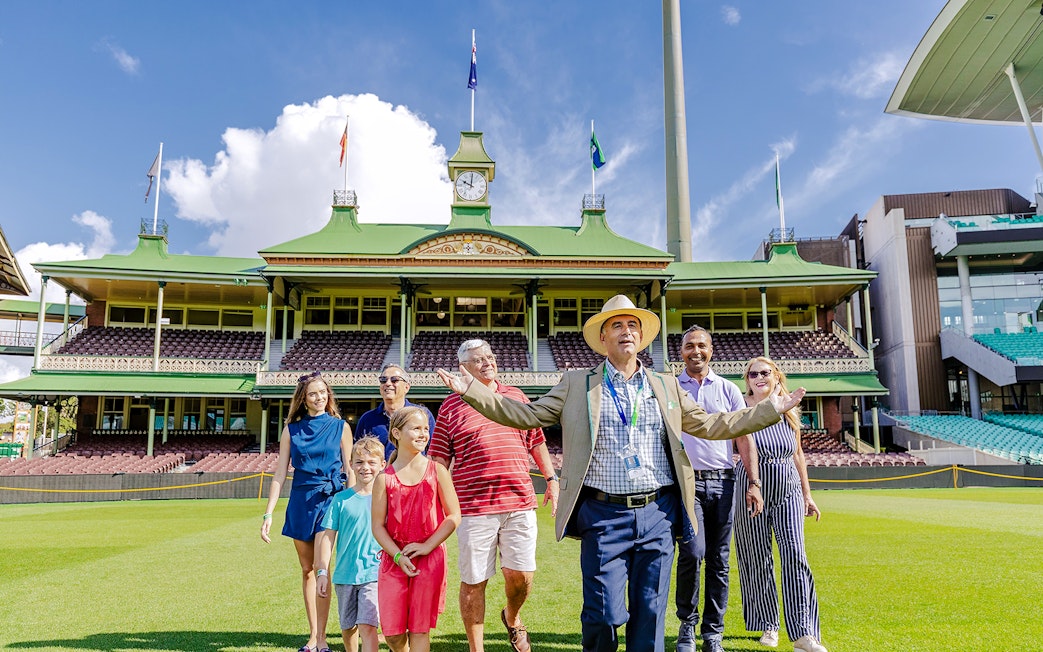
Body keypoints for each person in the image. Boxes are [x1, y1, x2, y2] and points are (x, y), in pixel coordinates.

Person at [437, 295, 805, 652]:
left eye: (633, 325)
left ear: (641, 337)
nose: (627, 331)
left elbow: (712, 424)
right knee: (602, 616)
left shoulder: (665, 384)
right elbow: (526, 416)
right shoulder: (577, 383)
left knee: (650, 615)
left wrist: (768, 410)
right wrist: (474, 391)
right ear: (603, 338)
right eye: (617, 325)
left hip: (658, 513)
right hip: (602, 515)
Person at [429, 339, 560, 652]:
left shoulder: (515, 395)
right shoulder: (450, 406)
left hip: (519, 502)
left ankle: (511, 617)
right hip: (473, 506)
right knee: (474, 581)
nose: (486, 362)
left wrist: (551, 478)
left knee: (522, 577)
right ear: (464, 367)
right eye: (477, 359)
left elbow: (536, 440)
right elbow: (439, 461)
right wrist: (437, 502)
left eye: (489, 356)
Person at [673, 325, 763, 652]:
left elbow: (744, 437)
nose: (695, 351)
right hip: (687, 483)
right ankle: (687, 627)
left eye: (701, 345)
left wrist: (753, 482)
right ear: (680, 351)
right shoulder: (672, 389)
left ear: (711, 350)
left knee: (719, 560)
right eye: (688, 346)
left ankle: (713, 633)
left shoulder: (727, 390)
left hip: (724, 481)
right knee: (692, 553)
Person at [732, 357, 827, 652]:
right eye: (752, 374)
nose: (759, 377)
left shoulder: (789, 410)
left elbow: (798, 454)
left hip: (787, 485)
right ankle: (768, 624)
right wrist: (753, 483)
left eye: (765, 372)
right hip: (751, 485)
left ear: (776, 376)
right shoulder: (742, 409)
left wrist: (807, 495)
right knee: (757, 557)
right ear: (746, 380)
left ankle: (804, 632)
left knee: (795, 554)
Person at [261, 370, 353, 652]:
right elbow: (279, 474)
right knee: (306, 570)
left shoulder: (341, 427)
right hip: (300, 501)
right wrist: (268, 514)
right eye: (313, 393)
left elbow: (350, 470)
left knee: (322, 567)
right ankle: (313, 636)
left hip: (330, 501)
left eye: (323, 392)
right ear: (303, 399)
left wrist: (351, 505)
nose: (319, 397)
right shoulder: (291, 430)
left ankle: (323, 639)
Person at [372, 405, 462, 652]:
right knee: (392, 634)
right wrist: (398, 556)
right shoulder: (384, 478)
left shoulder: (438, 471)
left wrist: (426, 546)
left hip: (430, 560)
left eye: (426, 429)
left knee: (420, 629)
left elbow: (454, 516)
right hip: (395, 560)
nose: (423, 434)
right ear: (397, 433)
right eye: (416, 429)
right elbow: (378, 527)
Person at [315, 437, 387, 652]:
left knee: (368, 625)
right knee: (348, 628)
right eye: (360, 462)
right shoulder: (341, 499)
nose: (365, 468)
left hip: (374, 575)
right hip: (344, 576)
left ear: (382, 465)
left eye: (372, 462)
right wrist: (322, 572)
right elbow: (328, 538)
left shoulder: (387, 499)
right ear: (351, 464)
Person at [356, 364, 436, 460]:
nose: (388, 383)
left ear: (407, 387)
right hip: (379, 474)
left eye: (395, 380)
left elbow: (434, 450)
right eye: (383, 380)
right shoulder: (367, 419)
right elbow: (358, 453)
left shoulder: (422, 415)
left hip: (414, 473)